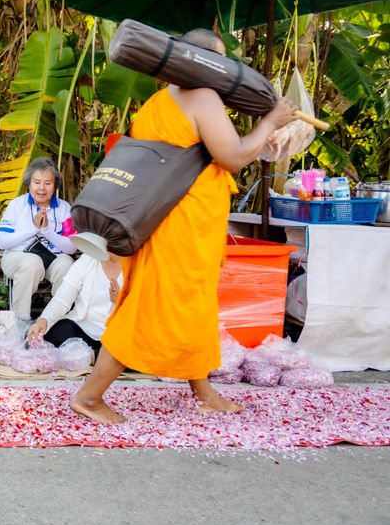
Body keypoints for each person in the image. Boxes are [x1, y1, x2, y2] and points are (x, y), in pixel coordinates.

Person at [70, 29, 298, 424]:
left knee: (191, 306)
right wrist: (270, 122)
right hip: (177, 225)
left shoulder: (161, 99)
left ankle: (203, 391)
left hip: (165, 221)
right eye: (223, 62)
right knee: (153, 310)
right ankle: (89, 397)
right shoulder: (203, 96)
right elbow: (232, 157)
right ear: (203, 62)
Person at [0, 157, 76, 320]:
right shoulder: (17, 205)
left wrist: (47, 230)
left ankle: (57, 319)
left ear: (55, 185)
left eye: (47, 183)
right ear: (29, 183)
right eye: (37, 182)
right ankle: (20, 321)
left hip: (52, 258)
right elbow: (2, 241)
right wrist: (33, 228)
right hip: (17, 257)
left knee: (67, 264)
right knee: (32, 262)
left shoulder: (64, 208)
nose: (41, 188)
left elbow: (71, 248)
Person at [26, 254, 122, 354]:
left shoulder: (136, 266)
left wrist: (120, 303)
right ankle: (93, 357)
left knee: (131, 352)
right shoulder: (87, 259)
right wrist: (43, 321)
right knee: (33, 342)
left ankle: (95, 357)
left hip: (118, 333)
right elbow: (62, 299)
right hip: (82, 326)